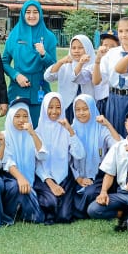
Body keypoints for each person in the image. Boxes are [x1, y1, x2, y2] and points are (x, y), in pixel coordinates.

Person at [86, 106, 128, 230]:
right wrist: (104, 192)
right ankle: (122, 214)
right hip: (121, 193)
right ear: (125, 125)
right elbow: (109, 173)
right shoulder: (118, 147)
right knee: (93, 209)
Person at [1, 1, 57, 123]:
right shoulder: (14, 36)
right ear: (22, 14)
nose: (32, 15)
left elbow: (54, 68)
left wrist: (44, 54)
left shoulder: (49, 37)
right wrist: (16, 75)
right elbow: (4, 62)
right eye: (28, 12)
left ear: (40, 14)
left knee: (38, 133)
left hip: (40, 90)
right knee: (16, 131)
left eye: (35, 12)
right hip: (18, 90)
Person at [33, 92, 82, 224]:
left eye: (58, 107)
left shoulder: (67, 131)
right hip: (44, 178)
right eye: (50, 107)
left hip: (64, 177)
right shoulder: (37, 133)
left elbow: (79, 154)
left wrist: (70, 131)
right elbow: (37, 164)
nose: (54, 111)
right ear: (44, 108)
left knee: (64, 217)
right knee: (50, 203)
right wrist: (51, 183)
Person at [69, 94, 121, 216]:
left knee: (89, 194)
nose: (81, 113)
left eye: (85, 109)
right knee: (68, 196)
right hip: (77, 177)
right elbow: (69, 160)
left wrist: (108, 125)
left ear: (92, 109)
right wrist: (79, 178)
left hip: (98, 177)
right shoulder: (72, 129)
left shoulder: (101, 129)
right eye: (77, 110)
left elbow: (118, 145)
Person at [0, 102, 46, 223]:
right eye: (17, 116)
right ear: (10, 117)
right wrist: (20, 178)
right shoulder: (4, 136)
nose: (21, 120)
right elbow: (7, 161)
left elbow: (42, 155)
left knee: (42, 211)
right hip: (10, 178)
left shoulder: (32, 135)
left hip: (30, 180)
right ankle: (11, 213)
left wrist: (33, 134)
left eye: (25, 116)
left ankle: (23, 208)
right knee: (15, 188)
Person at [96, 17, 128, 136]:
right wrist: (97, 59)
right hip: (114, 98)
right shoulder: (111, 53)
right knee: (113, 133)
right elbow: (99, 79)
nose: (124, 35)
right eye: (120, 31)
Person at [45, 34, 96, 120]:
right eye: (73, 48)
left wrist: (81, 63)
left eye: (80, 48)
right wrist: (60, 62)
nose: (76, 51)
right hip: (67, 106)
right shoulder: (65, 65)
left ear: (87, 48)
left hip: (86, 108)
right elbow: (48, 77)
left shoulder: (93, 65)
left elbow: (78, 78)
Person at [89, 32, 118, 115]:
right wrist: (97, 60)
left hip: (116, 101)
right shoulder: (96, 64)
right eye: (105, 45)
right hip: (102, 101)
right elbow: (95, 81)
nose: (108, 48)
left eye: (112, 46)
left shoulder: (120, 64)